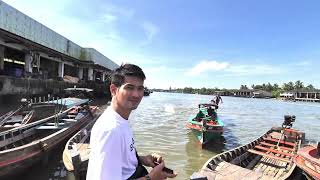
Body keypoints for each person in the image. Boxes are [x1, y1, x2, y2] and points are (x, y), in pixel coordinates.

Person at [86, 64, 177, 180]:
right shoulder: (111, 130)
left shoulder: (121, 120)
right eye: (129, 87)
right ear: (113, 90)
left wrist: (143, 159)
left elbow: (120, 158)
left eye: (140, 88)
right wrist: (151, 178)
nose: (136, 95)